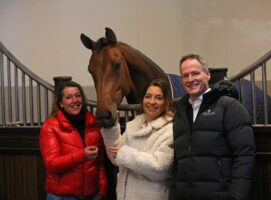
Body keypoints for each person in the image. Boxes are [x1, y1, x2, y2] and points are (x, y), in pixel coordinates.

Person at [169, 54, 256, 200]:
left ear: (207, 74)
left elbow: (245, 156)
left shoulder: (229, 106)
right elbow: (178, 163)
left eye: (195, 73)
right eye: (185, 75)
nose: (190, 79)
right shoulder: (180, 112)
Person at [100, 79, 174, 200]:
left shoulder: (170, 130)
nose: (152, 102)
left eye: (159, 98)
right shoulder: (133, 126)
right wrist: (110, 127)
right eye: (148, 96)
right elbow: (115, 157)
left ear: (166, 102)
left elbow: (161, 168)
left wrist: (124, 153)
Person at [40, 80, 108, 200]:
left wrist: (102, 191)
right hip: (61, 197)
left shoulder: (94, 123)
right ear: (60, 103)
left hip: (91, 195)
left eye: (78, 95)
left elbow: (100, 163)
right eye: (69, 97)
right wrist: (83, 154)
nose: (75, 100)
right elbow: (52, 164)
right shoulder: (50, 126)